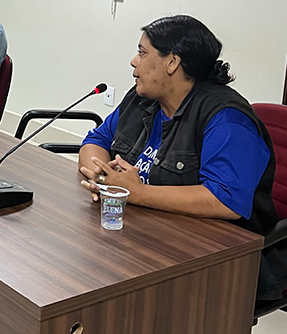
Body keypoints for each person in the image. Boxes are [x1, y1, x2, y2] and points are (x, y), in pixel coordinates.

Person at [79, 15, 287, 301]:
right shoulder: (141, 99)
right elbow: (96, 141)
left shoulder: (226, 118)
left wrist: (137, 192)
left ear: (172, 62)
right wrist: (101, 175)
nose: (133, 62)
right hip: (144, 236)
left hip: (215, 261)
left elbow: (226, 200)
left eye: (142, 53)